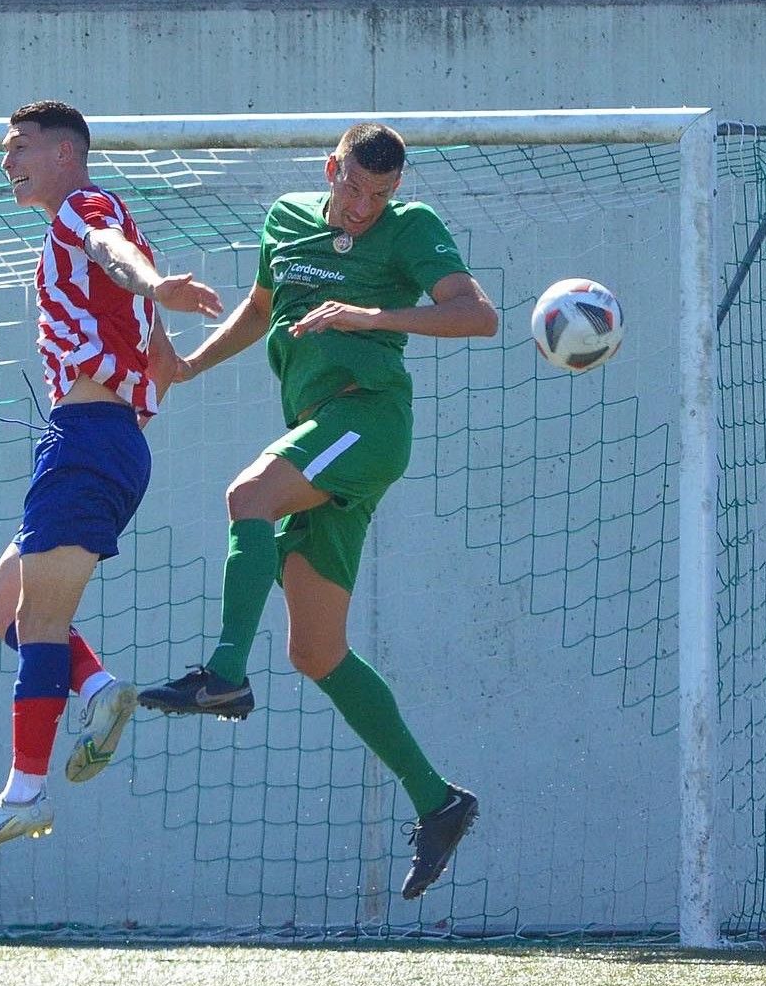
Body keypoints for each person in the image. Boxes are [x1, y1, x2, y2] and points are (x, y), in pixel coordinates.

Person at [138, 122, 499, 900]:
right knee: (316, 651)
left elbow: (477, 314)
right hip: (322, 432)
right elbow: (263, 305)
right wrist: (190, 366)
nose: (365, 207)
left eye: (381, 195)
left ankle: (225, 675)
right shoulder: (285, 217)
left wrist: (367, 317)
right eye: (354, 187)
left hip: (367, 419)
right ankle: (439, 802)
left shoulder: (413, 229)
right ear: (330, 167)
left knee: (248, 495)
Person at [0, 100, 223, 855]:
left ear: (67, 152)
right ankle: (99, 689)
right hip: (102, 443)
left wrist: (155, 283)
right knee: (1, 604)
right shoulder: (100, 244)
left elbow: (110, 249)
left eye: (20, 146)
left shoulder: (85, 209)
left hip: (88, 440)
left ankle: (24, 793)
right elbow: (166, 365)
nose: (8, 161)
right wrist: (169, 320)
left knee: (36, 624)